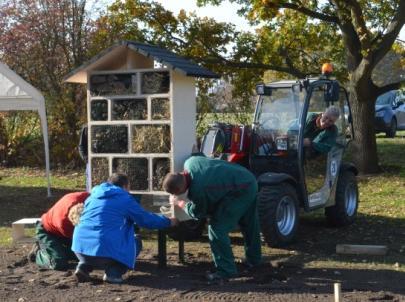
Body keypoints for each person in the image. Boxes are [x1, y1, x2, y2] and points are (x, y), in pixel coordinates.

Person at [162, 153, 262, 284]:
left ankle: (226, 271)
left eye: (176, 193)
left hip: (241, 190)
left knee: (217, 229)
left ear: (180, 188)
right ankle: (254, 260)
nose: (177, 195)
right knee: (249, 222)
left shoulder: (199, 189)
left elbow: (197, 212)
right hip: (247, 177)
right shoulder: (190, 162)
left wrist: (180, 203)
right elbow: (198, 154)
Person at [72, 173, 178, 284]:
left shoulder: (92, 196)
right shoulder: (124, 198)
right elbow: (145, 220)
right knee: (135, 241)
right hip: (103, 250)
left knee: (98, 238)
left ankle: (83, 267)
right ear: (125, 186)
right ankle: (114, 273)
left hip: (79, 249)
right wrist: (168, 221)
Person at [28, 191, 90, 270]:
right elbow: (78, 242)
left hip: (60, 229)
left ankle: (58, 251)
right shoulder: (63, 223)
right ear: (72, 221)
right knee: (59, 263)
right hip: (47, 231)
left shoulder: (89, 199)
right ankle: (38, 253)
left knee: (87, 254)